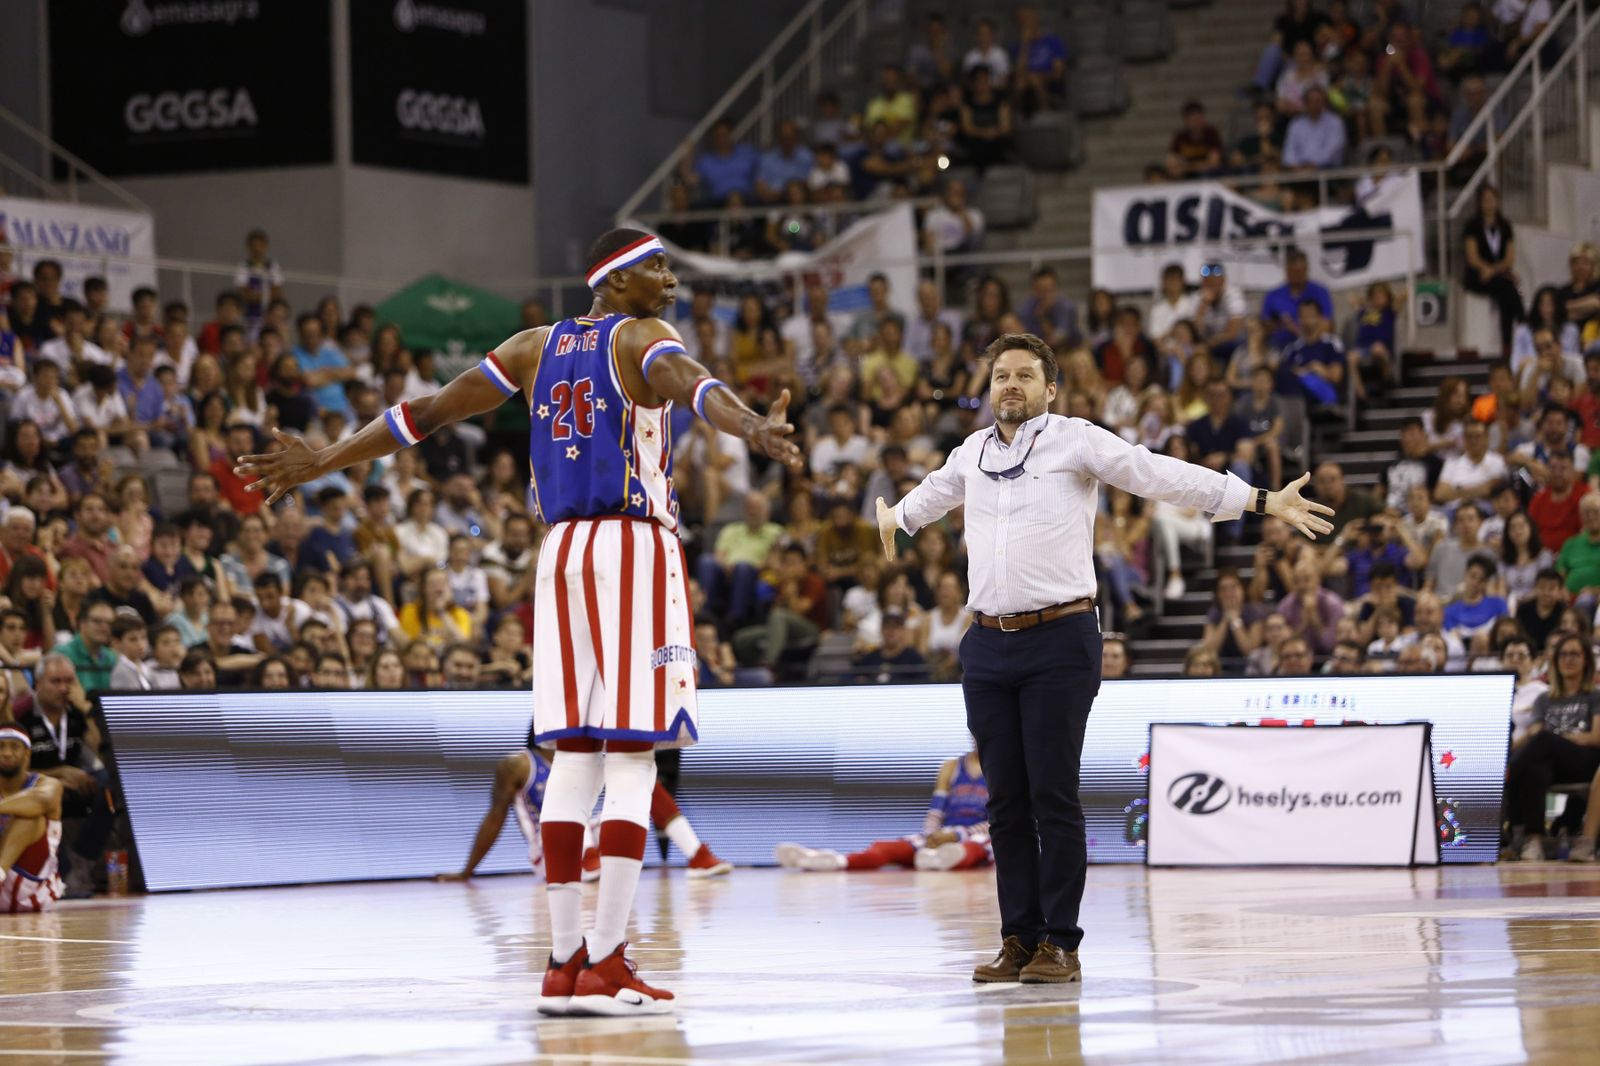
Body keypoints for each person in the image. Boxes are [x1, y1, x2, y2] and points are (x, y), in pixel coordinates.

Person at [237, 227, 801, 1016]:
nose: (670, 280)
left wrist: (324, 459)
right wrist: (753, 427)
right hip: (631, 546)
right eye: (656, 267)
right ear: (615, 281)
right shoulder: (642, 337)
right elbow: (695, 385)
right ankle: (607, 963)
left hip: (559, 554)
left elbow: (426, 413)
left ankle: (563, 965)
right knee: (633, 761)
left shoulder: (534, 346)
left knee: (570, 760)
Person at [874, 331, 1331, 985]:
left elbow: (1159, 474)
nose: (1010, 384)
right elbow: (928, 497)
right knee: (1005, 802)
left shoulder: (1077, 439)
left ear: (1050, 388)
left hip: (1060, 638)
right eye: (1001, 375)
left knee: (1051, 794)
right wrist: (894, 518)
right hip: (986, 644)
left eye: (1024, 375)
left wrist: (1259, 500)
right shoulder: (969, 452)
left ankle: (1060, 942)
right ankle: (1017, 939)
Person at [439, 748, 731, 895]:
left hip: (588, 836)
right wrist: (467, 871)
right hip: (548, 852)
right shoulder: (518, 764)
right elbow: (495, 817)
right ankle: (589, 857)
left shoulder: (594, 756)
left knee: (641, 778)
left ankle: (697, 855)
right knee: (570, 796)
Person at [775, 744, 992, 874]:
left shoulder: (1002, 767)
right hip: (944, 833)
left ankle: (938, 859)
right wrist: (930, 834)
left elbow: (1001, 817)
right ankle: (836, 860)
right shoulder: (951, 766)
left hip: (981, 834)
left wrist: (959, 835)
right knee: (892, 847)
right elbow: (936, 810)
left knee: (974, 848)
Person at [1505, 633, 1600, 861]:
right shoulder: (1544, 699)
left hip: (1585, 760)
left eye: (1574, 654)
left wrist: (1562, 738)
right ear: (1555, 661)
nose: (1568, 659)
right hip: (1552, 761)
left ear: (1586, 660)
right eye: (1563, 655)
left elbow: (1596, 737)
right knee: (1535, 768)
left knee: (1544, 741)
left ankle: (1506, 774)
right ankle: (1535, 839)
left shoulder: (1594, 695)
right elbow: (1533, 734)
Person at [0, 725, 66, 913]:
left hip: (33, 888)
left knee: (30, 817)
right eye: (1, 747)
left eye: (14, 747)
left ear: (27, 753)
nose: (6, 753)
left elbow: (42, 800)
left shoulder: (48, 784)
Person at [1462, 184, 1524, 355]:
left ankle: (1511, 337)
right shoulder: (1472, 226)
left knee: (1508, 290)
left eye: (1492, 199)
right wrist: (1486, 269)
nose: (1489, 204)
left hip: (1497, 274)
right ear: (1479, 203)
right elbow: (1472, 257)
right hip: (1478, 275)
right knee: (1508, 288)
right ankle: (1520, 327)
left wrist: (1494, 270)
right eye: (1485, 200)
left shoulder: (1505, 226)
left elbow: (1509, 258)